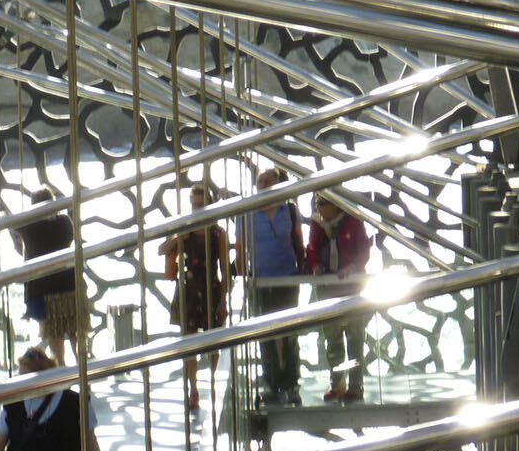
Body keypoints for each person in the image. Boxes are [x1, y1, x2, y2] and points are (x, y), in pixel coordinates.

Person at [235, 167, 305, 405]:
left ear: (278, 184)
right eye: (260, 182)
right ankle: (273, 384)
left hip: (287, 277)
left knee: (289, 333)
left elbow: (298, 242)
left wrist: (304, 269)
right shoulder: (247, 213)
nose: (263, 185)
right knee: (266, 335)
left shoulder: (291, 210)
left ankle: (292, 384)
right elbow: (240, 248)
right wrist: (243, 278)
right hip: (261, 281)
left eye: (268, 181)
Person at [160, 183, 230, 414]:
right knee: (189, 344)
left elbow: (224, 269)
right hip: (188, 291)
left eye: (200, 205)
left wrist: (223, 300)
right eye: (194, 205)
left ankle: (213, 384)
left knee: (213, 343)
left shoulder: (217, 233)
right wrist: (180, 237)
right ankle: (193, 389)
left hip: (210, 289)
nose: (197, 209)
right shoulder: (184, 230)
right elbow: (162, 249)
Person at [303, 195, 374, 402]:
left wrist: (352, 268)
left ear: (336, 204)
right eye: (318, 204)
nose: (320, 208)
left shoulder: (353, 220)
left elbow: (364, 251)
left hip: (352, 287)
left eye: (323, 204)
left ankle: (356, 385)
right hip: (328, 288)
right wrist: (316, 266)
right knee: (332, 339)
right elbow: (312, 248)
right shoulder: (317, 224)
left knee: (355, 337)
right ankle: (337, 384)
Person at [11, 187, 79, 365]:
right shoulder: (64, 222)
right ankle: (82, 366)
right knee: (74, 331)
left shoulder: (29, 227)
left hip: (44, 289)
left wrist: (19, 245)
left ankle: (62, 370)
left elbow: (11, 224)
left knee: (54, 333)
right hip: (69, 283)